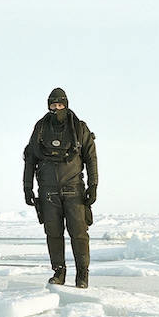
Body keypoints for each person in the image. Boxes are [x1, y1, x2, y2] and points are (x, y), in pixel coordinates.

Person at [23, 87, 97, 288]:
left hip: (73, 189)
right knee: (53, 234)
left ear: (66, 104)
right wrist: (27, 187)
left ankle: (82, 274)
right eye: (53, 105)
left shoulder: (79, 128)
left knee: (79, 233)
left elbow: (91, 158)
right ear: (48, 106)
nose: (57, 108)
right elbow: (30, 158)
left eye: (60, 104)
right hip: (48, 191)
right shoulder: (40, 128)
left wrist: (93, 185)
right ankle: (59, 272)